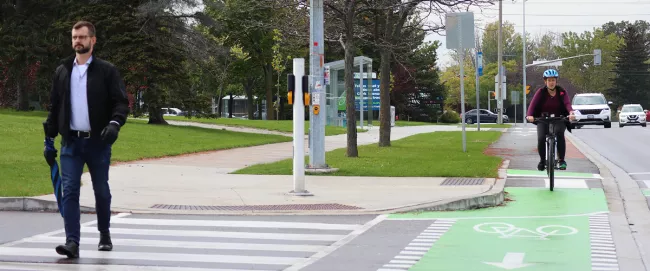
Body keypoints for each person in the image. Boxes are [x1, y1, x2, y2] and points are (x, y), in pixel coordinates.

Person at [43, 20, 129, 258]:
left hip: (98, 142)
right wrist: (48, 138)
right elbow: (55, 106)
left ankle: (104, 233)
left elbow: (121, 102)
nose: (77, 41)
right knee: (70, 191)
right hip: (71, 142)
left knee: (101, 189)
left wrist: (114, 124)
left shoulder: (107, 71)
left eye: (82, 37)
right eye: (74, 37)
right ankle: (72, 242)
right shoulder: (63, 71)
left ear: (93, 40)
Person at [525, 69, 575, 171]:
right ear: (545, 82)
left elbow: (567, 104)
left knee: (559, 133)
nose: (551, 82)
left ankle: (561, 160)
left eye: (553, 80)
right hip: (543, 119)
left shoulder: (561, 92)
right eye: (549, 80)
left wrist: (571, 112)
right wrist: (529, 115)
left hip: (559, 118)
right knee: (541, 138)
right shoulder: (541, 92)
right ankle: (542, 161)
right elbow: (532, 105)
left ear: (556, 81)